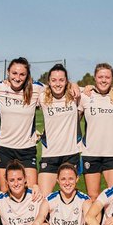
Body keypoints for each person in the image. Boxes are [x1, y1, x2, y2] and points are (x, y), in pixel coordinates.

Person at [0, 57, 44, 189]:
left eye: (22, 74)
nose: (17, 77)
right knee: (5, 193)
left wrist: (74, 85)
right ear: (8, 72)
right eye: (14, 73)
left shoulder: (36, 89)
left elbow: (59, 87)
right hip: (3, 148)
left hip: (26, 150)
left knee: (32, 191)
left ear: (27, 76)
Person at [37, 64, 81, 196]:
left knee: (69, 198)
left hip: (71, 154)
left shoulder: (75, 95)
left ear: (67, 81)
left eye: (61, 80)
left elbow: (95, 89)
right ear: (48, 82)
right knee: (43, 199)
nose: (58, 84)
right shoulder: (42, 96)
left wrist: (75, 84)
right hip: (49, 154)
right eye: (54, 80)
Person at [79, 62, 113, 198]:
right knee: (93, 196)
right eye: (100, 77)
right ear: (95, 78)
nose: (104, 80)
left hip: (112, 153)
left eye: (107, 77)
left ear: (112, 79)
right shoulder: (85, 96)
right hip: (90, 153)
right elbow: (74, 120)